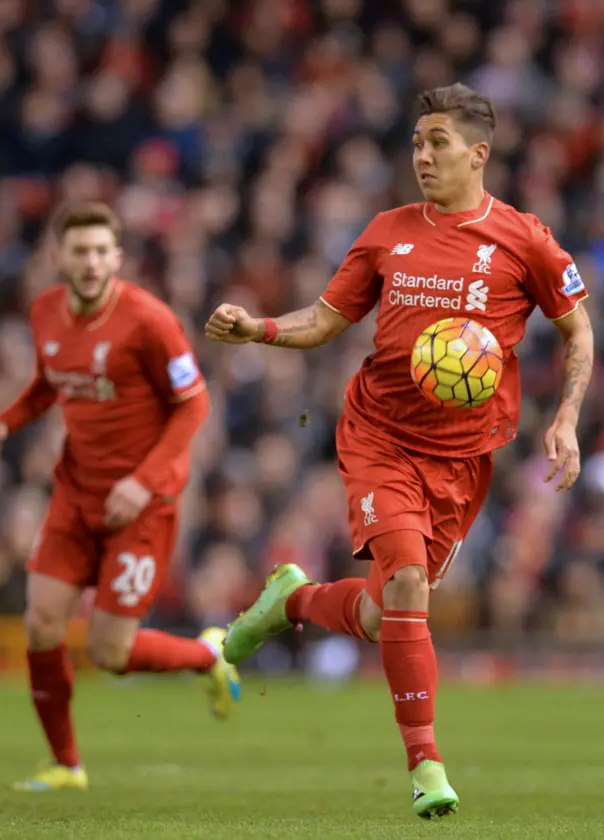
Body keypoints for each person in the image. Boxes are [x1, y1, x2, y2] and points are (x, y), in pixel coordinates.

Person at [204, 84, 593, 819]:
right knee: (408, 583)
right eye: (417, 143)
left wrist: (567, 417)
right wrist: (255, 328)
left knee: (390, 616)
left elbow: (579, 332)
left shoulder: (526, 240)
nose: (422, 155)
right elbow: (323, 320)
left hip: (465, 459)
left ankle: (291, 602)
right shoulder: (386, 232)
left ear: (478, 154)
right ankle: (426, 766)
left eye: (437, 143)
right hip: (379, 434)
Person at [0, 203, 241, 792]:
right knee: (41, 623)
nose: (91, 262)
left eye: (101, 251)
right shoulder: (45, 311)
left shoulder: (150, 321)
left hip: (142, 505)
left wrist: (141, 482)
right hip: (76, 494)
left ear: (117, 258)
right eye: (80, 251)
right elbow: (51, 381)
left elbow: (194, 404)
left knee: (110, 652)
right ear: (59, 257)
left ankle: (207, 657)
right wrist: (7, 423)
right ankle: (66, 765)